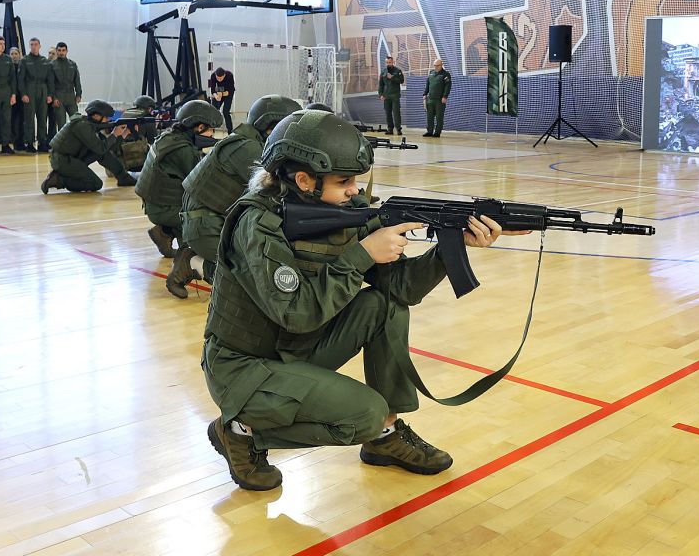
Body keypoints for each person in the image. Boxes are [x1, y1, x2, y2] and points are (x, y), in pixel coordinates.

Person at [202, 109, 519, 490]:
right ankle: (239, 432)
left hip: (296, 349)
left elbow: (402, 289)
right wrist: (362, 255)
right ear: (304, 180)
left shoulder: (341, 212)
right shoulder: (257, 225)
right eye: (344, 181)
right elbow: (297, 313)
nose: (355, 190)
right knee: (364, 414)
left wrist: (452, 247)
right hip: (244, 368)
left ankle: (386, 436)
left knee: (384, 306)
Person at [182, 94, 301, 288]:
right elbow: (282, 189)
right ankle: (193, 263)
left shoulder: (250, 143)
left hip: (215, 222)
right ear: (270, 127)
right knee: (255, 277)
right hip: (206, 227)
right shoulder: (246, 149)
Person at [134, 99, 223, 297]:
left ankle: (164, 231)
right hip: (164, 208)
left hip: (155, 205)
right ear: (199, 127)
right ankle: (181, 270)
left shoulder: (169, 137)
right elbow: (202, 184)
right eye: (211, 130)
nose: (212, 135)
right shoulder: (183, 150)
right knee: (200, 225)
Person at [41, 99, 137, 193]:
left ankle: (123, 177)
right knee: (95, 184)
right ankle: (58, 180)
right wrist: (114, 134)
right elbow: (101, 148)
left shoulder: (89, 125)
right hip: (62, 160)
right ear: (96, 116)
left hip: (72, 158)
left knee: (103, 154)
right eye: (106, 117)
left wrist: (124, 134)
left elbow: (106, 148)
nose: (108, 120)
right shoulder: (82, 126)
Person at [18, 38, 54, 152]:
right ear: (29, 46)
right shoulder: (24, 60)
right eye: (32, 44)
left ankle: (42, 142)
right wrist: (23, 94)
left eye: (36, 44)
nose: (34, 46)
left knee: (42, 117)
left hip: (43, 89)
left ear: (40, 46)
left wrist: (50, 94)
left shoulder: (45, 61)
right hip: (30, 89)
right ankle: (29, 143)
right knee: (29, 118)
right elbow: (20, 79)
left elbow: (50, 79)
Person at [109, 95, 159, 172]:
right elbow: (154, 141)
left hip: (117, 164)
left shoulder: (125, 114)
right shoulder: (147, 118)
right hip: (137, 164)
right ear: (149, 108)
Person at [49, 41, 82, 129]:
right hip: (59, 96)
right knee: (61, 124)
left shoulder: (72, 64)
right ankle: (63, 139)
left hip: (71, 96)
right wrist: (54, 98)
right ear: (57, 51)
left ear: (67, 51)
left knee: (77, 121)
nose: (61, 52)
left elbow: (77, 80)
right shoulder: (52, 65)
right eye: (59, 50)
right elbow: (51, 83)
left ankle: (76, 138)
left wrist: (78, 94)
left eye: (63, 50)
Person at [423, 58, 451, 137]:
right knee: (429, 116)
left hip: (439, 99)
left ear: (441, 65)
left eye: (437, 65)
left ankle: (437, 132)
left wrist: (445, 96)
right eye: (434, 65)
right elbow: (428, 84)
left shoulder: (446, 74)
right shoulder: (431, 73)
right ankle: (429, 131)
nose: (436, 67)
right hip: (430, 99)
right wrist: (425, 94)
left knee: (439, 117)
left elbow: (448, 86)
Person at [377, 56, 404, 135]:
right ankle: (390, 129)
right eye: (387, 62)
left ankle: (398, 129)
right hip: (386, 96)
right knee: (388, 113)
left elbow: (401, 81)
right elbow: (381, 85)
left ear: (393, 62)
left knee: (396, 113)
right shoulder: (383, 72)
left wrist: (392, 77)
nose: (388, 64)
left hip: (395, 96)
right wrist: (381, 94)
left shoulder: (398, 71)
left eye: (390, 62)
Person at [209, 67, 236, 132]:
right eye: (217, 78)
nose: (219, 80)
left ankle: (230, 130)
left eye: (220, 78)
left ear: (224, 75)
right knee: (213, 110)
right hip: (219, 90)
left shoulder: (229, 75)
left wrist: (222, 94)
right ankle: (211, 130)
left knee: (225, 112)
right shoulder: (213, 76)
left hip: (228, 91)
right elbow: (213, 90)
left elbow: (231, 90)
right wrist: (216, 96)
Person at [8, 47, 24, 150]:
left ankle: (21, 141)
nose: (14, 56)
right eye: (12, 54)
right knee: (12, 120)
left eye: (16, 54)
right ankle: (14, 141)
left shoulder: (22, 66)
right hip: (10, 96)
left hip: (22, 96)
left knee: (22, 120)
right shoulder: (7, 66)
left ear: (19, 55)